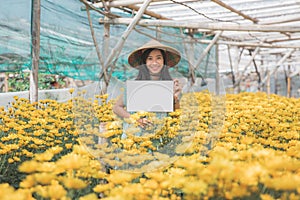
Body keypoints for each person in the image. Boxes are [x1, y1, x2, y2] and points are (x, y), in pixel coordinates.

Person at [113, 39, 182, 129]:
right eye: (150, 58)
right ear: (144, 62)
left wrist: (175, 98)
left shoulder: (170, 85)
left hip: (158, 136)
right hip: (134, 136)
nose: (154, 62)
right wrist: (134, 119)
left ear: (163, 61)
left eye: (158, 58)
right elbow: (117, 108)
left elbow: (175, 116)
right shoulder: (135, 85)